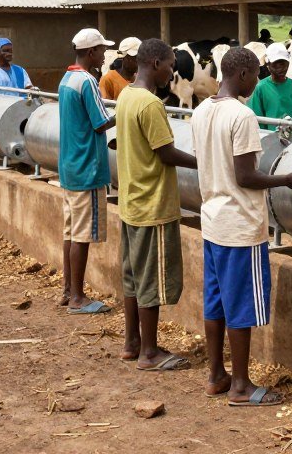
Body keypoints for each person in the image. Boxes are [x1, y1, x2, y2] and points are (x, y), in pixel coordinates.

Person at [191, 47, 292, 406]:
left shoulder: (202, 110)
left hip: (213, 220)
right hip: (240, 225)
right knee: (241, 306)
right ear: (242, 74)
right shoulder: (242, 116)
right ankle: (241, 386)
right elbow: (245, 176)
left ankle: (216, 375)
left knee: (216, 303)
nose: (257, 81)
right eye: (255, 74)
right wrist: (286, 179)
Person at [116, 38, 198, 370]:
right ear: (155, 64)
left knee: (134, 277)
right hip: (153, 203)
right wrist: (205, 162)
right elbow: (165, 153)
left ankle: (132, 342)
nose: (171, 72)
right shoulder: (151, 104)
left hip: (131, 201)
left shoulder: (126, 95)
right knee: (152, 278)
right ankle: (149, 353)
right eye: (169, 66)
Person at [58, 27, 116, 314]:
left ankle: (68, 290)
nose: (104, 55)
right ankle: (78, 298)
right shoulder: (88, 81)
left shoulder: (66, 79)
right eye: (102, 50)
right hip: (87, 168)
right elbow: (101, 122)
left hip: (70, 167)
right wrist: (125, 110)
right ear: (91, 52)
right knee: (81, 236)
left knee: (70, 232)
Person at [247, 42, 292, 132]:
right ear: (268, 64)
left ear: (288, 63)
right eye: (275, 64)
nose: (280, 68)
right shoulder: (260, 88)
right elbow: (257, 120)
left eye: (283, 63)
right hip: (270, 136)